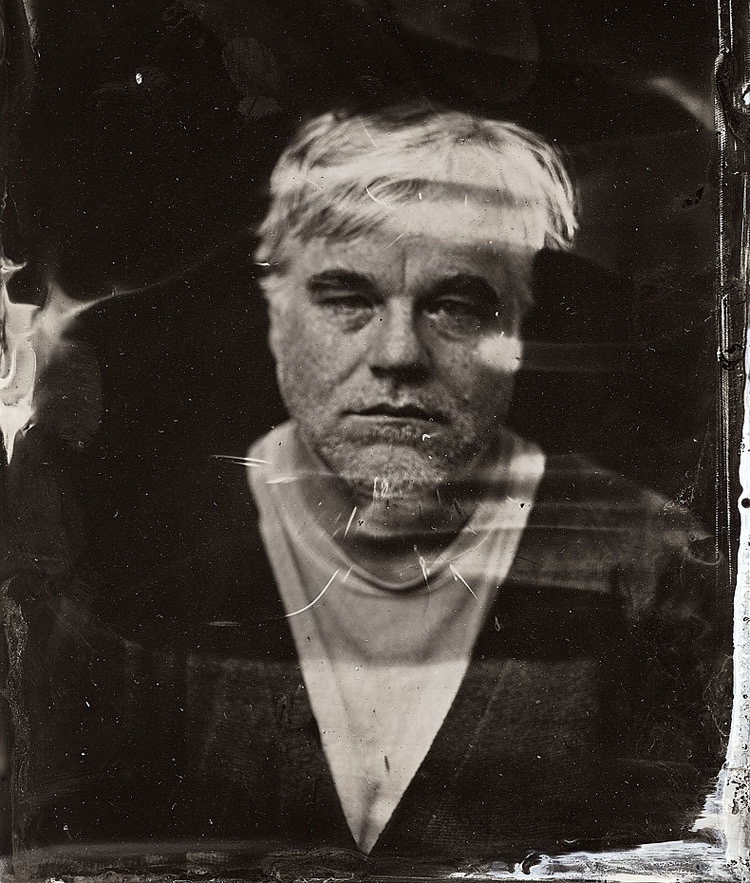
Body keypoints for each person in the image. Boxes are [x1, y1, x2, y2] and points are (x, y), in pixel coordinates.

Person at [3, 106, 729, 870]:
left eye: (455, 304)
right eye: (347, 298)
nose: (398, 353)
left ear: (519, 325)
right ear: (278, 321)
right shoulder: (153, 559)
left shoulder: (655, 571)